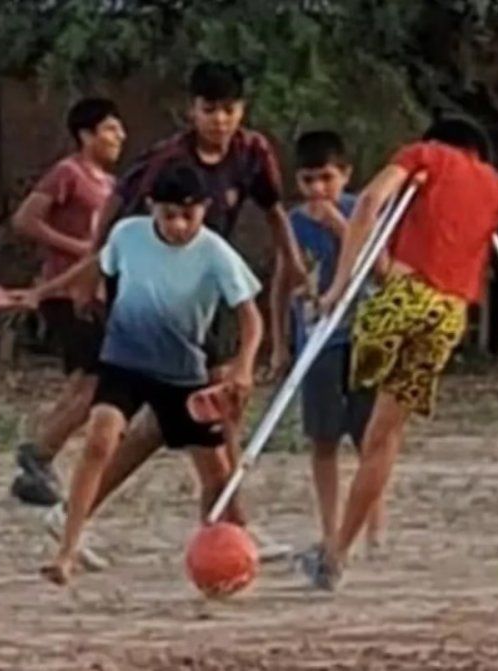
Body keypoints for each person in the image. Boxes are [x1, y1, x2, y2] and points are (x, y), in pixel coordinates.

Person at [295, 116, 498, 590]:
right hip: (448, 315)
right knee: (383, 435)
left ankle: (337, 548)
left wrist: (340, 287)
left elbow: (369, 202)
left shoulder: (423, 156)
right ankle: (340, 549)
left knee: (358, 422)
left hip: (402, 297)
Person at [45, 61, 305, 560]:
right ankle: (230, 525)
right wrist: (94, 275)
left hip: (206, 291)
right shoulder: (169, 161)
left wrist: (291, 263)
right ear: (193, 110)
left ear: (242, 110)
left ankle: (222, 523)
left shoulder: (253, 152)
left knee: (184, 416)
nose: (220, 120)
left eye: (229, 110)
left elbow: (273, 209)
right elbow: (120, 211)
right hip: (155, 297)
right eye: (210, 110)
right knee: (199, 409)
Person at [18, 162, 263, 586]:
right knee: (100, 438)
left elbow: (250, 318)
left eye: (190, 215)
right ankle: (67, 552)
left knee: (217, 476)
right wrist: (43, 291)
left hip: (183, 376)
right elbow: (97, 264)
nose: (180, 225)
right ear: (152, 207)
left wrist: (243, 366)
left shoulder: (215, 253)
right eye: (169, 215)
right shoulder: (128, 234)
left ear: (204, 209)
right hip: (125, 364)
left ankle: (228, 556)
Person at [269, 130, 385, 556]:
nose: (318, 189)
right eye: (308, 180)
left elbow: (384, 270)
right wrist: (280, 344)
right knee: (323, 438)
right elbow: (281, 284)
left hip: (364, 335)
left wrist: (342, 227)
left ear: (346, 175)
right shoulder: (294, 222)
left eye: (327, 178)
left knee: (369, 436)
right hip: (316, 338)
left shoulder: (363, 210)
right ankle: (330, 527)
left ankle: (372, 528)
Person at [10, 97, 125, 508]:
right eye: (110, 129)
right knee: (94, 383)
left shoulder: (110, 185)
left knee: (83, 382)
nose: (119, 137)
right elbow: (25, 220)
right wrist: (79, 248)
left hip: (94, 294)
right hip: (64, 291)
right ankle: (39, 452)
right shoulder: (68, 173)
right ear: (86, 135)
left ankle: (38, 459)